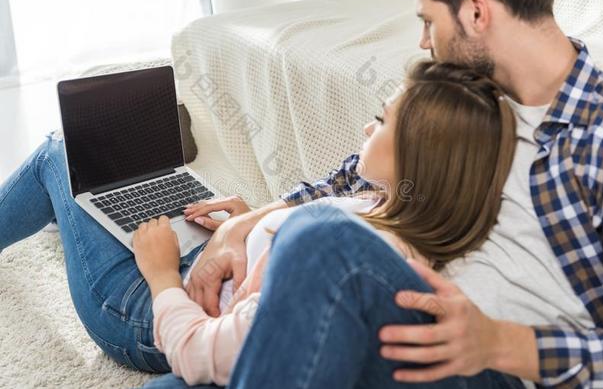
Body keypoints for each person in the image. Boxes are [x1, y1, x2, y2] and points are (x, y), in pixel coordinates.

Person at [173, 0, 603, 387]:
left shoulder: (599, 140)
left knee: (323, 241)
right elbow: (355, 173)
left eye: (428, 21)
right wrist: (251, 219)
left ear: (476, 12)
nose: (423, 42)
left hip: (489, 363)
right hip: (400, 311)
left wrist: (500, 343)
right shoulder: (469, 95)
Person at [133, 61, 517, 387]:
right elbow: (338, 182)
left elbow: (196, 350)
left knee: (74, 165)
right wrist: (247, 224)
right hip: (212, 261)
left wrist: (161, 275)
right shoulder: (380, 202)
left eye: (382, 120)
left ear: (419, 157)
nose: (367, 128)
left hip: (181, 306)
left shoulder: (346, 255)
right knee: (88, 173)